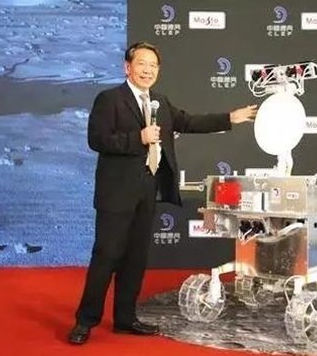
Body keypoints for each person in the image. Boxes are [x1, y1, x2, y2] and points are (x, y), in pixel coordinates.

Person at [68, 41, 257, 344]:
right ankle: (85, 322)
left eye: (153, 65)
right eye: (141, 64)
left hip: (147, 190)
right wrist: (138, 138)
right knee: (106, 256)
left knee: (136, 258)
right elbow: (97, 139)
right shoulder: (109, 99)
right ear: (127, 67)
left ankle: (125, 319)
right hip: (116, 194)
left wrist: (230, 118)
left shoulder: (160, 102)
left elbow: (189, 122)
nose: (148, 70)